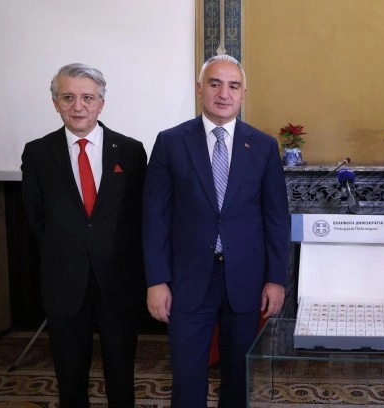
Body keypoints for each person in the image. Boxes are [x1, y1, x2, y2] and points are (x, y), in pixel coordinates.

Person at [142, 54, 290, 407]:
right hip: (187, 279)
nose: (224, 93)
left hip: (246, 280)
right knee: (187, 374)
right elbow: (154, 218)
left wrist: (276, 279)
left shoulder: (264, 146)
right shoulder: (170, 142)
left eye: (233, 86)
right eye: (215, 84)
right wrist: (156, 281)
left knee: (239, 375)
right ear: (199, 89)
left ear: (242, 94)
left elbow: (276, 218)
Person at [21, 63, 147, 407]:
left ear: (101, 103)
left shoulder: (131, 151)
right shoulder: (38, 153)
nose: (78, 106)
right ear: (55, 103)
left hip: (118, 281)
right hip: (64, 282)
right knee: (70, 375)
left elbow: (140, 216)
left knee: (121, 373)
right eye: (68, 97)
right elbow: (36, 217)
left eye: (87, 98)